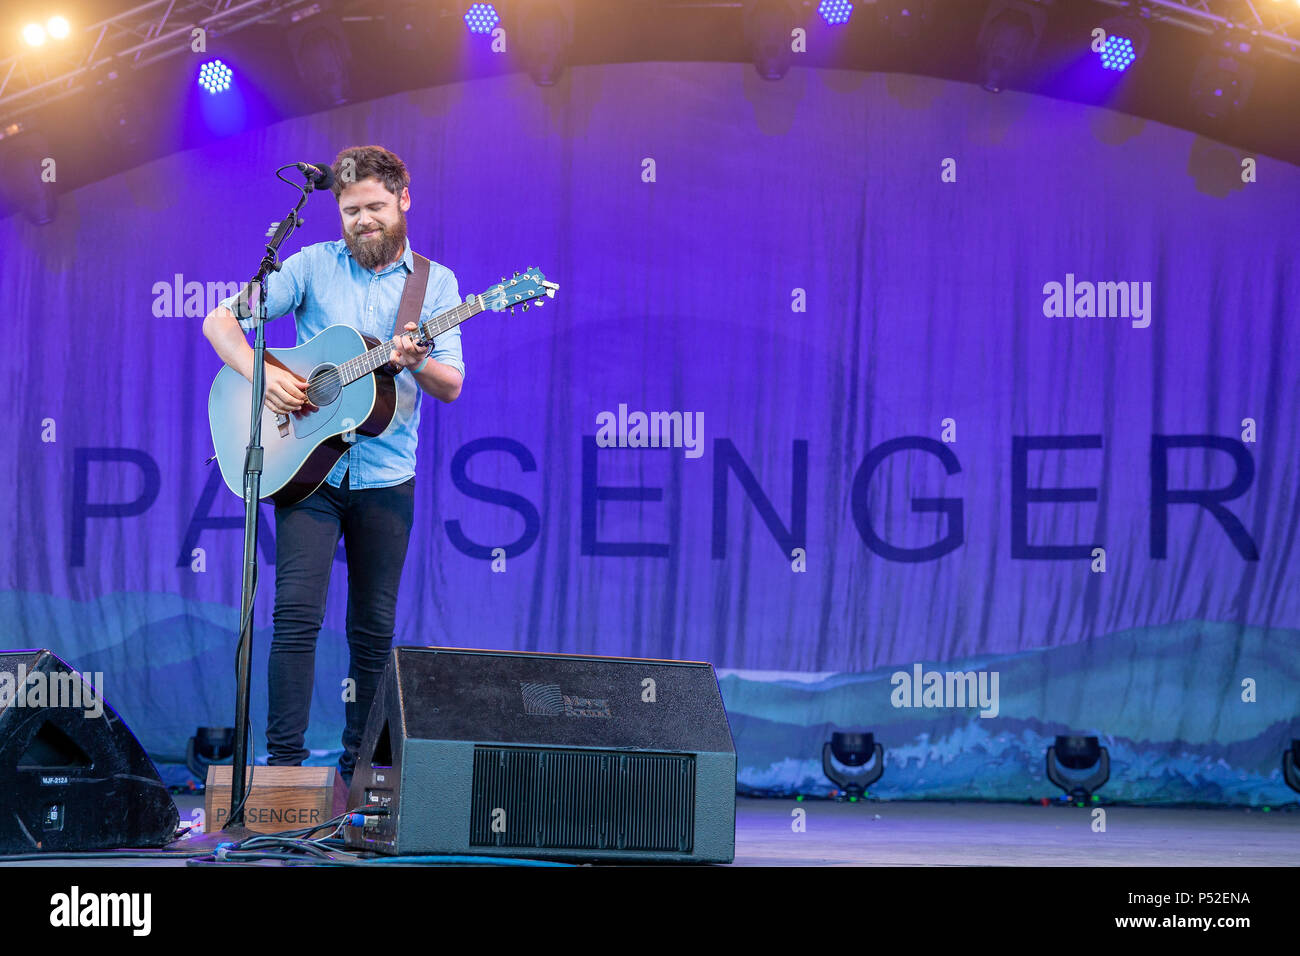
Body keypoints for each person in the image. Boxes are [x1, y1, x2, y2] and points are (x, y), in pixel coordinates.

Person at [201, 144, 465, 787]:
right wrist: (262, 373)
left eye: (375, 206)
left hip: (385, 477)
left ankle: (358, 780)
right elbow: (219, 321)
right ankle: (283, 777)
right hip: (308, 472)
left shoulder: (436, 285)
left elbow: (451, 382)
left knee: (373, 632)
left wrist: (415, 361)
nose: (363, 220)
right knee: (295, 620)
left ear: (404, 200)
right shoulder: (311, 264)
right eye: (351, 211)